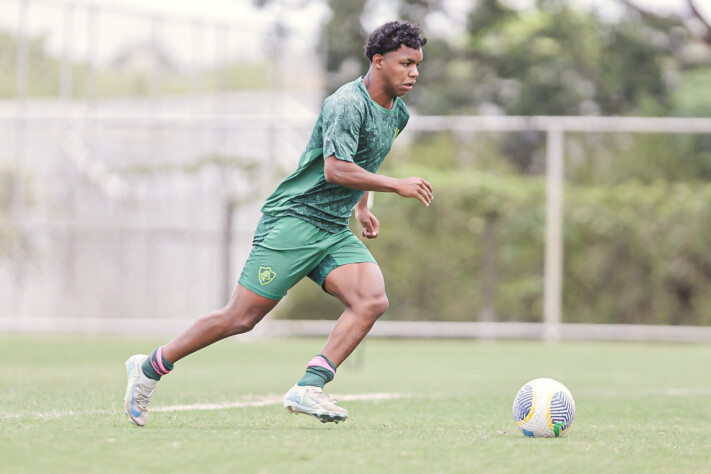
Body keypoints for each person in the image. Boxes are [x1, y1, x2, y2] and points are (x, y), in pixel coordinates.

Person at [124, 20, 432, 427]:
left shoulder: (399, 113)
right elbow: (337, 168)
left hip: (333, 228)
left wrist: (362, 207)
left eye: (417, 65)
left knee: (371, 300)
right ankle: (150, 368)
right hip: (294, 220)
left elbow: (362, 161)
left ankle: (309, 386)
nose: (413, 73)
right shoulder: (346, 103)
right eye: (405, 63)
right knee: (240, 318)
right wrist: (396, 186)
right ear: (378, 61)